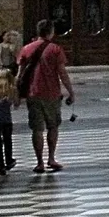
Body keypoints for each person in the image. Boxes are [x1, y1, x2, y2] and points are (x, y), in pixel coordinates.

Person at [16, 19, 75, 173]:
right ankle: (51, 158)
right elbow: (62, 73)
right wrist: (71, 91)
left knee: (37, 129)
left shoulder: (26, 49)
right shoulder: (55, 49)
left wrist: (16, 94)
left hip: (32, 93)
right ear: (51, 31)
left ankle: (39, 162)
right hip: (51, 93)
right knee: (53, 126)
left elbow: (19, 75)